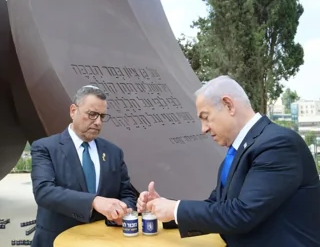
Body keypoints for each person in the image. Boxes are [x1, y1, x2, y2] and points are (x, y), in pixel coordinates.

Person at [137, 76, 320, 246]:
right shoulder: (242, 149)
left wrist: (176, 209)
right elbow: (217, 206)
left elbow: (242, 214)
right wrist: (167, 210)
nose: (204, 129)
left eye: (205, 117)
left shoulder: (277, 145)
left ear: (228, 105)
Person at [30, 85, 137, 247]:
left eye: (102, 116)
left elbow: (127, 193)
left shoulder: (114, 152)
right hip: (56, 240)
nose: (98, 122)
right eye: (92, 114)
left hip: (104, 241)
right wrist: (93, 202)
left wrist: (123, 211)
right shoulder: (45, 148)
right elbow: (44, 192)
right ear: (73, 110)